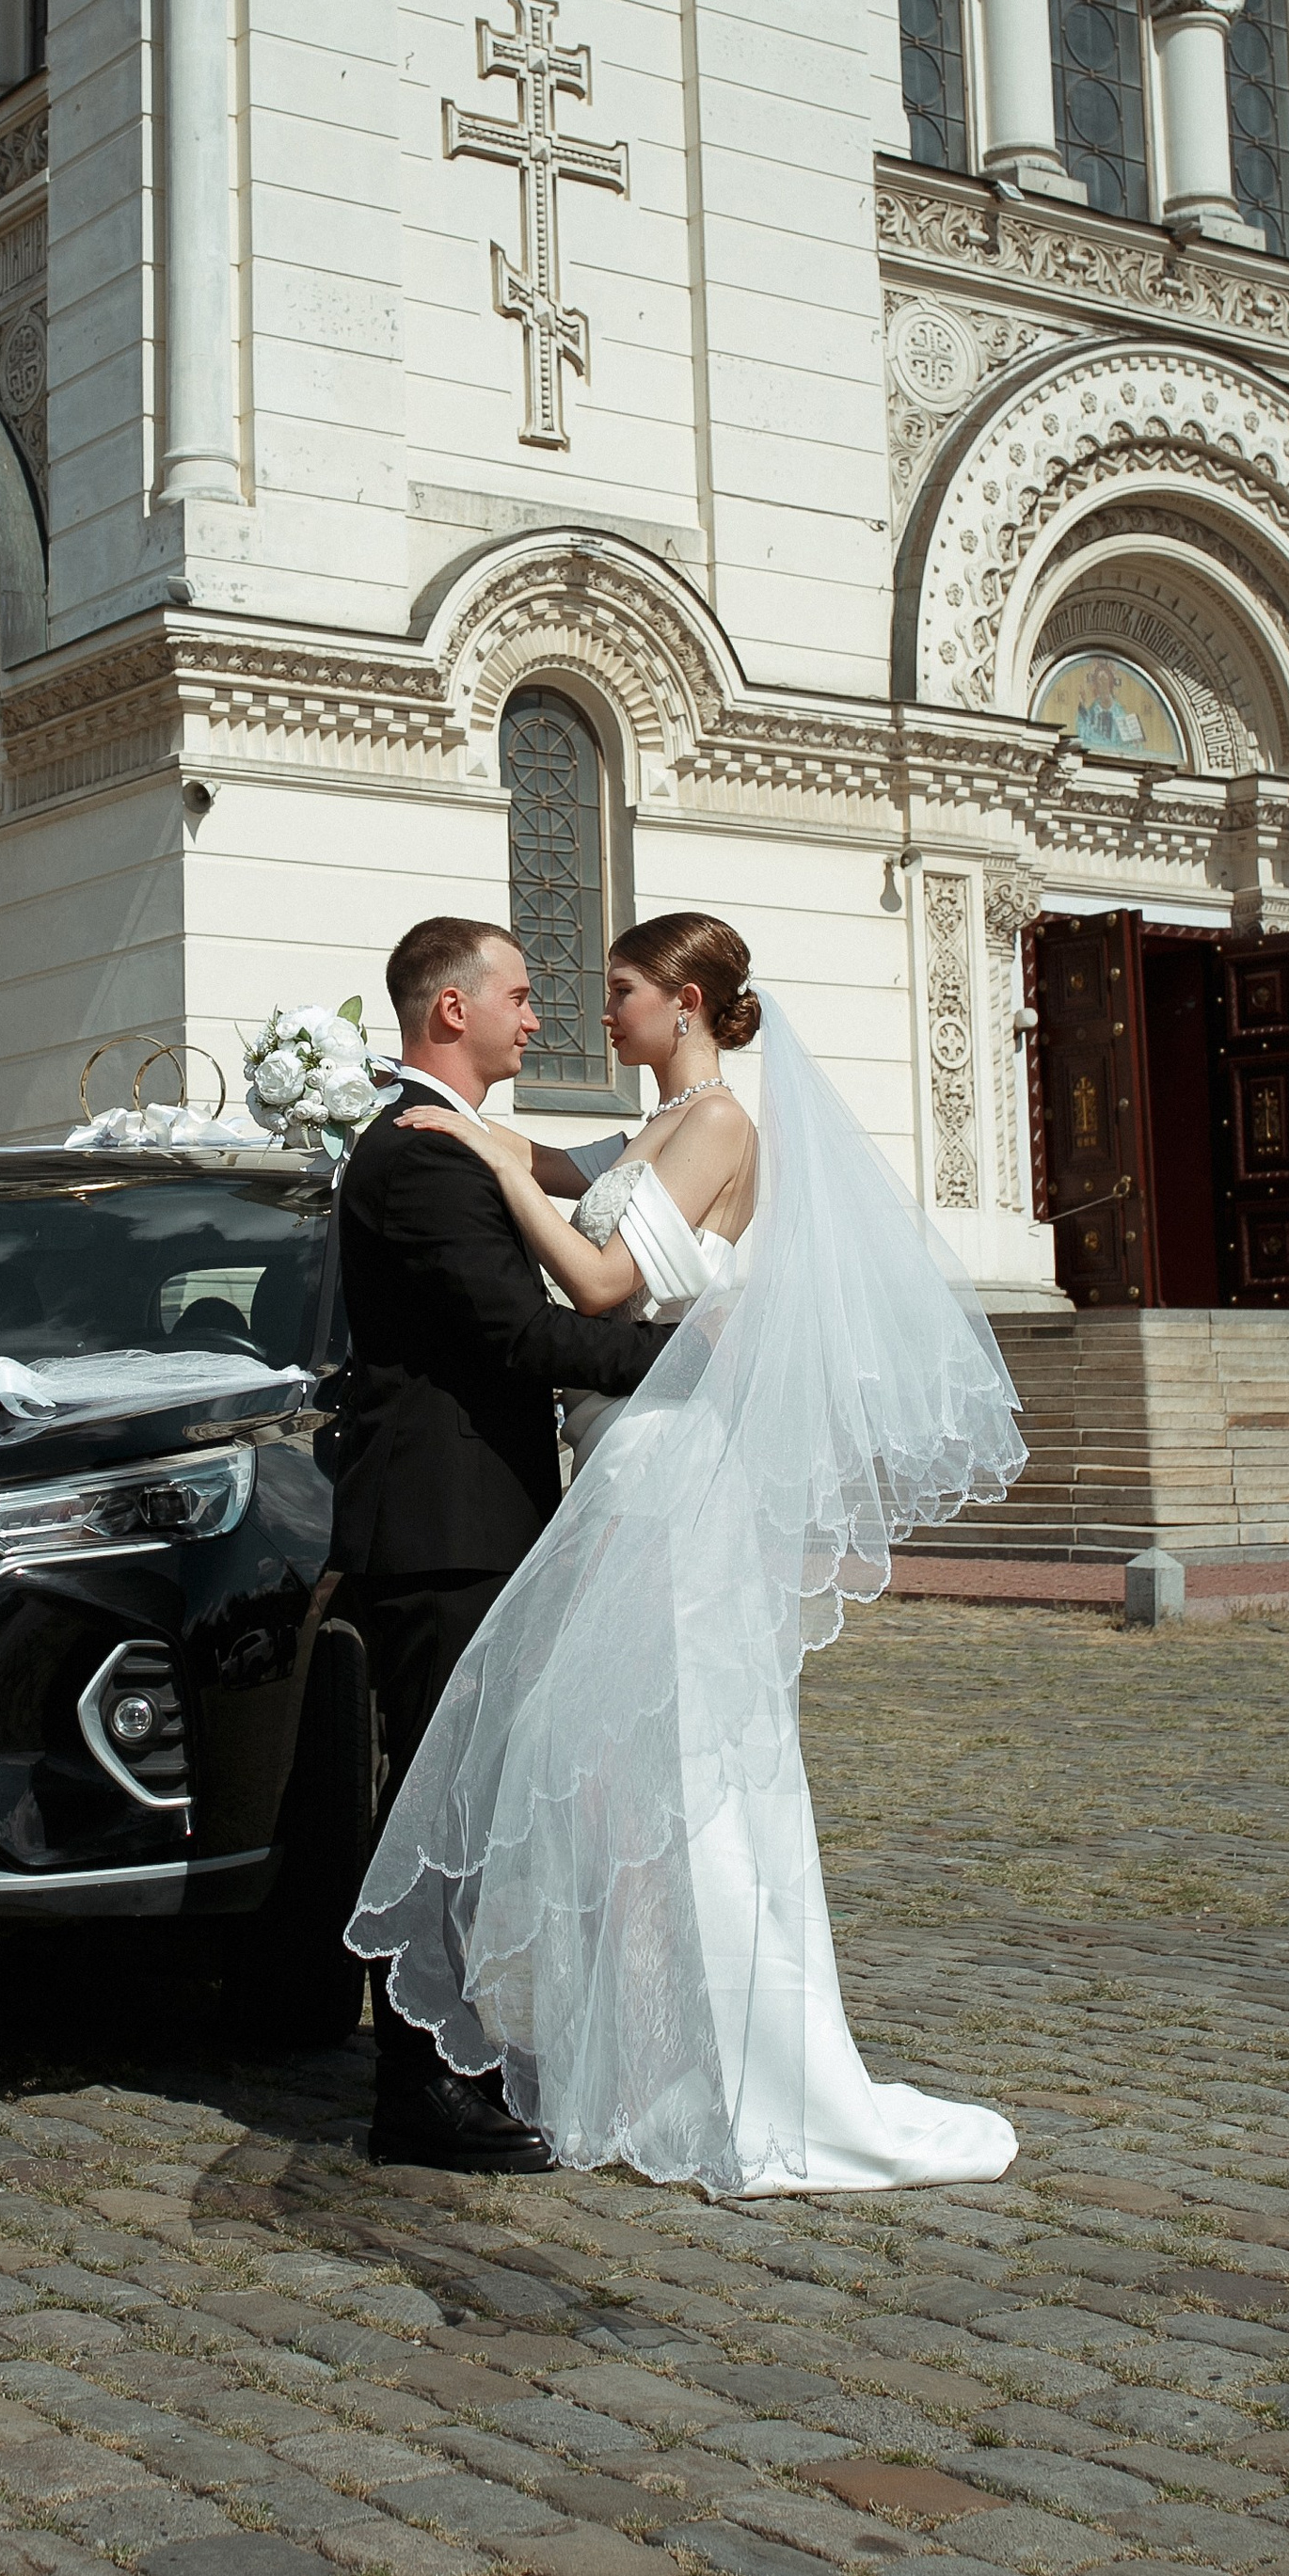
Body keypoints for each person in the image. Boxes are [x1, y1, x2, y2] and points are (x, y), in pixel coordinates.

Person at [350, 911, 1028, 2196]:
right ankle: (639, 2047)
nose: (592, 1013)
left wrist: (491, 1167)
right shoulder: (650, 1130)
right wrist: (460, 1129)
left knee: (685, 1763)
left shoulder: (718, 1124)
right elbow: (564, 1163)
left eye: (619, 991)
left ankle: (737, 2065)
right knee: (617, 1772)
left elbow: (602, 1288)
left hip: (665, 1462)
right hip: (614, 1457)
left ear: (691, 1002)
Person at [333, 914, 673, 2174]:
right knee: (438, 1814)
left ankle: (452, 2057)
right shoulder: (421, 1161)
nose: (540, 1017)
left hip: (469, 1520)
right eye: (520, 997)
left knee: (464, 1808)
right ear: (450, 1013)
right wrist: (682, 1357)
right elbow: (511, 1339)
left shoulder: (459, 1143)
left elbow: (604, 1170)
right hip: (443, 1529)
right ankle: (421, 2089)